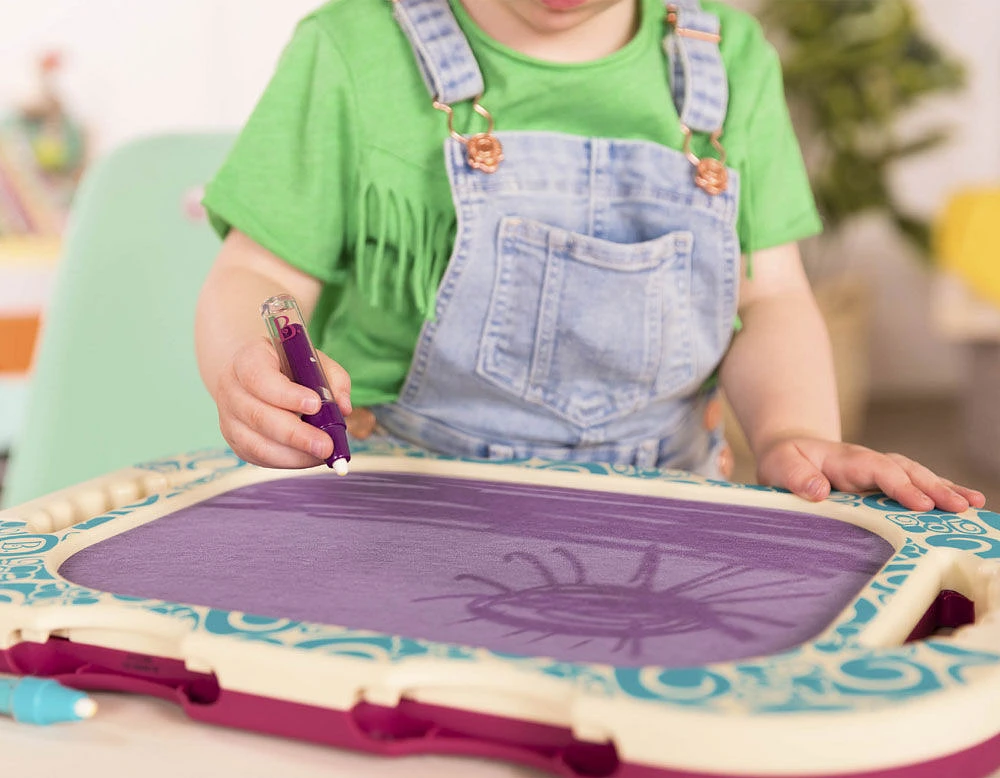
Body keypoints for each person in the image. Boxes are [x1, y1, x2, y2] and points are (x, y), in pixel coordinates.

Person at [194, 0, 985, 513]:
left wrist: (792, 433)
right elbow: (256, 274)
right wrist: (247, 366)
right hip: (397, 504)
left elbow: (769, 296)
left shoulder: (731, 60)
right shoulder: (349, 51)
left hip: (663, 509)